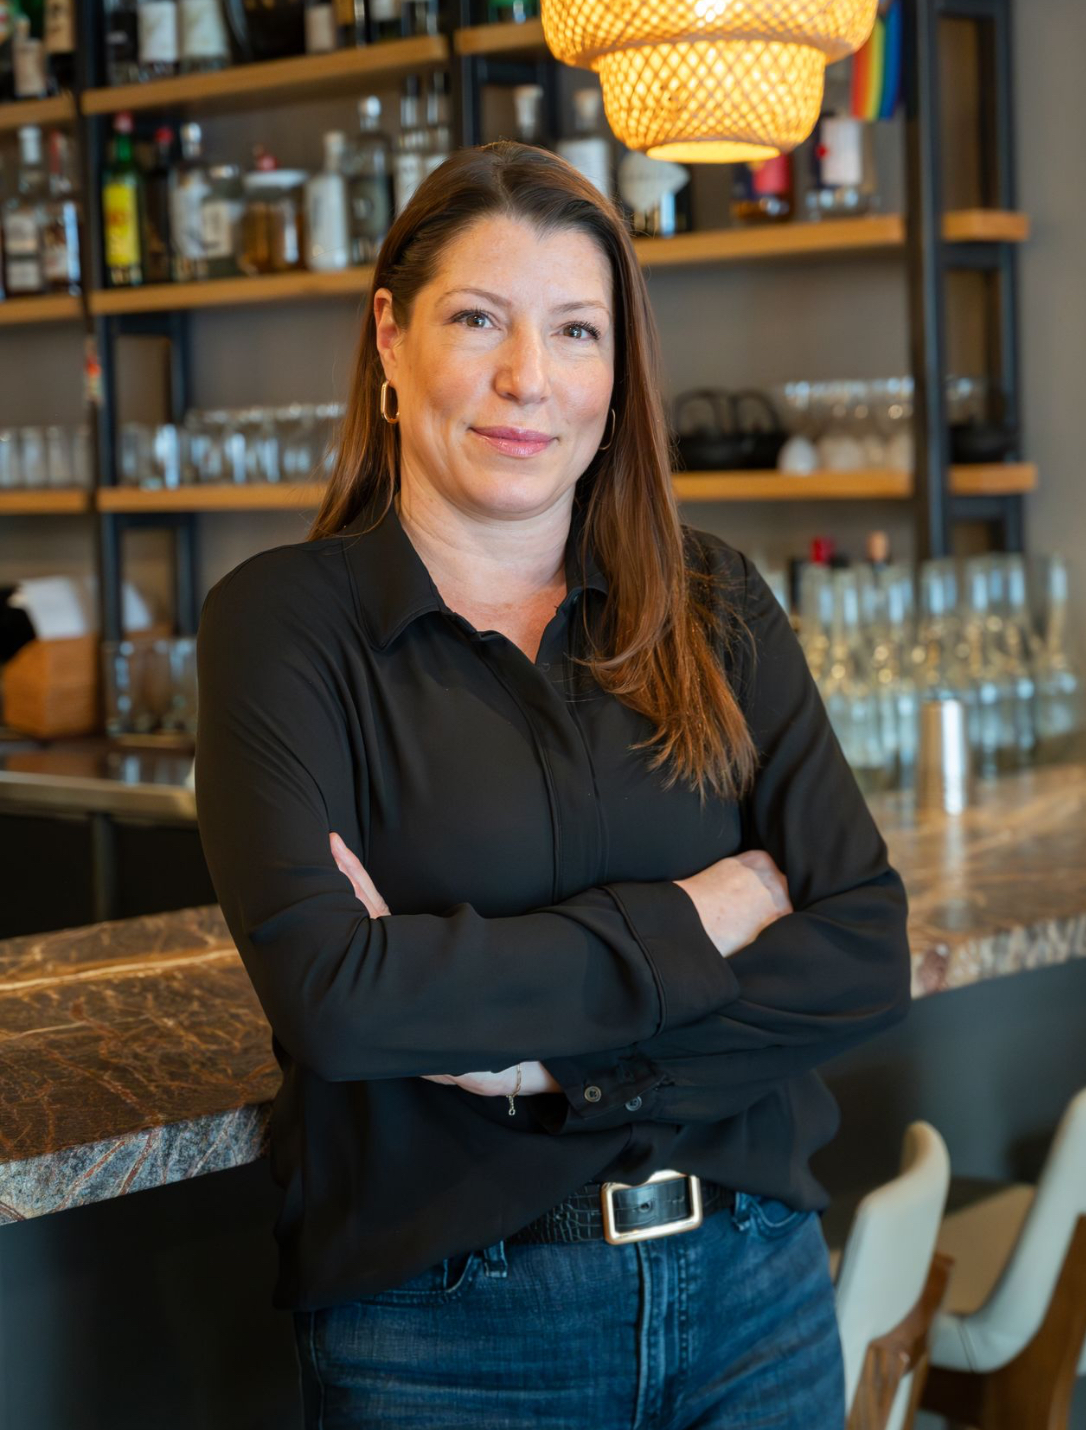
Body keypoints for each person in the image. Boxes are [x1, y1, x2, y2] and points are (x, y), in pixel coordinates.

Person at [194, 140, 911, 1428]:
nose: (531, 379)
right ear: (390, 340)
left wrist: (548, 1063)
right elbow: (343, 1005)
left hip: (757, 1289)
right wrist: (703, 917)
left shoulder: (713, 602)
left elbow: (862, 947)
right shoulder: (283, 628)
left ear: (617, 368)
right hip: (450, 1336)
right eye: (479, 319)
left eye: (577, 331)